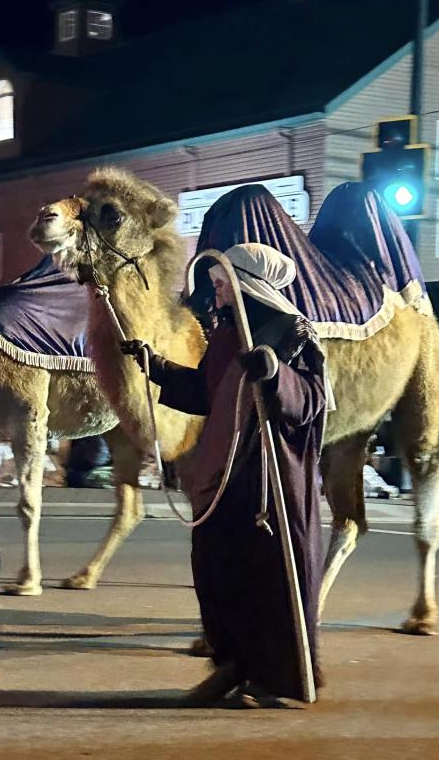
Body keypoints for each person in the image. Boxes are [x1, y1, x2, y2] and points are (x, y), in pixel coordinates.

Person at [121, 242, 327, 707]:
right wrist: (156, 367)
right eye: (215, 283)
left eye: (222, 284)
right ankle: (230, 664)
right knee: (215, 568)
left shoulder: (291, 333)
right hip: (222, 475)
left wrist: (276, 373)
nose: (214, 292)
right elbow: (207, 393)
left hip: (267, 480)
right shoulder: (227, 335)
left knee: (265, 576)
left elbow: (311, 401)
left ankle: (277, 675)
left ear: (247, 286)